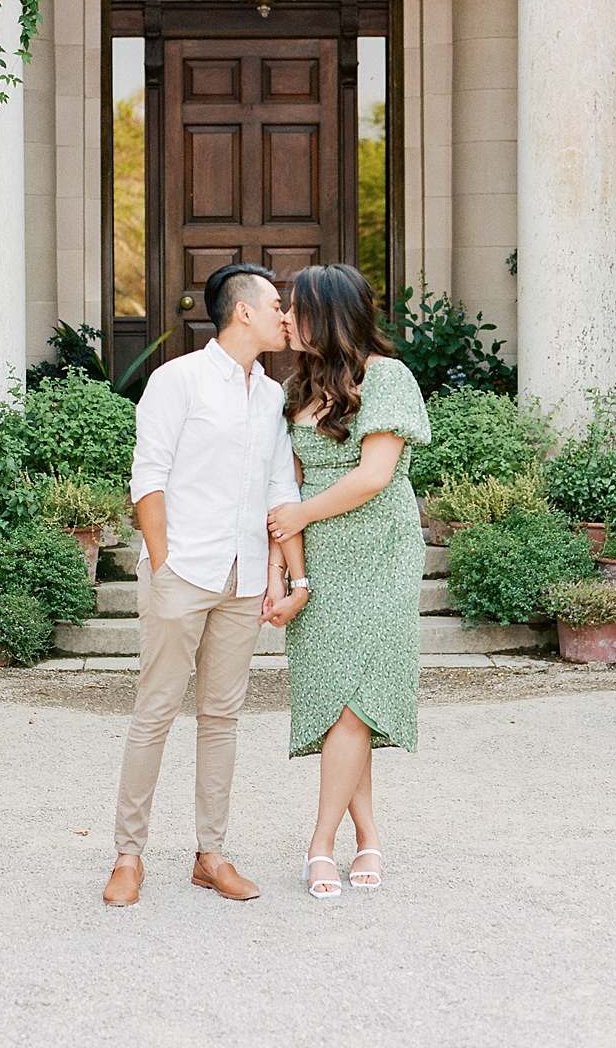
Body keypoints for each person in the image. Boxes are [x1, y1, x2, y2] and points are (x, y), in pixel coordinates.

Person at [103, 263, 305, 907]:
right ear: (242, 311)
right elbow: (148, 478)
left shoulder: (273, 395)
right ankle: (128, 856)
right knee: (155, 713)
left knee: (222, 718)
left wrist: (284, 575)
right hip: (183, 572)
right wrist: (162, 567)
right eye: (277, 305)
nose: (285, 315)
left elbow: (281, 490)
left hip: (245, 578)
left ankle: (210, 855)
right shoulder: (177, 380)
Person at [267, 262, 431, 898]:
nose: (285, 318)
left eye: (296, 308)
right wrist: (283, 571)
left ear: (329, 315)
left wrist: (298, 514)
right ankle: (369, 839)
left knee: (355, 701)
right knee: (343, 704)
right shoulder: (296, 389)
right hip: (321, 560)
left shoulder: (386, 377)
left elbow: (372, 477)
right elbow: (285, 488)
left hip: (381, 551)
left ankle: (321, 844)